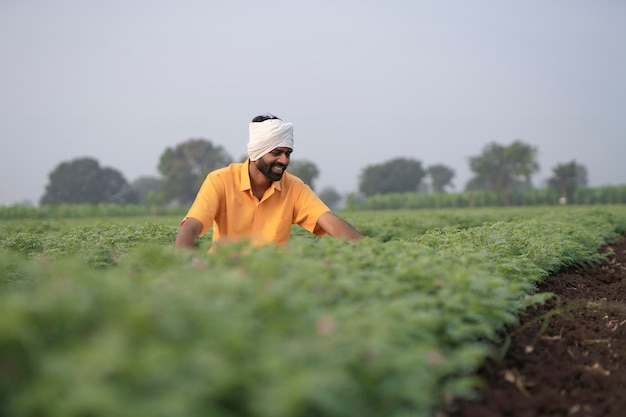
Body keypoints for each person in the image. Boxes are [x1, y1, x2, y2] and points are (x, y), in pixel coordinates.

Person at [175, 113, 363, 250]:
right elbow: (191, 227)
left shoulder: (294, 188)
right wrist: (190, 266)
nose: (284, 160)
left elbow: (330, 222)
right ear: (256, 152)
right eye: (276, 153)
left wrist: (367, 251)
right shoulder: (220, 181)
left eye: (288, 153)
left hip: (271, 281)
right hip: (225, 279)